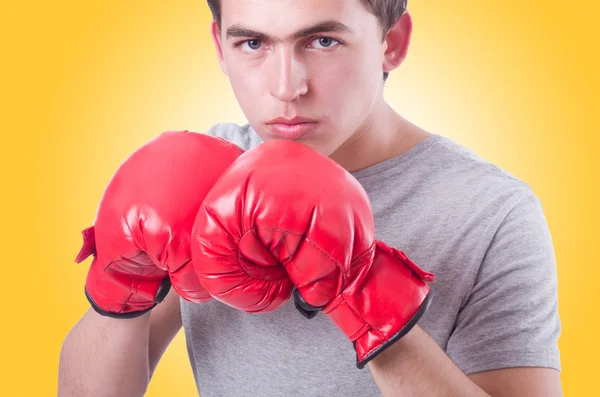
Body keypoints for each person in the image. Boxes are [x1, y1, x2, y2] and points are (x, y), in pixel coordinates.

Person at [57, 0, 563, 396]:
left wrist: (363, 294)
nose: (286, 87)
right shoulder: (204, 176)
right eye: (253, 43)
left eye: (322, 40)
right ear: (219, 45)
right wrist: (120, 281)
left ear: (392, 42)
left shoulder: (490, 212)